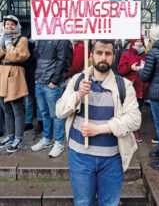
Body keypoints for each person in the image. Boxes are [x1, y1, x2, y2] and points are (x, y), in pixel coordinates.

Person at [56, 40, 141, 206]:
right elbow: (59, 111)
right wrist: (78, 95)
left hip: (112, 159)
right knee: (82, 203)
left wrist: (101, 129)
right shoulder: (77, 80)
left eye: (108, 54)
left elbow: (135, 119)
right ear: (91, 55)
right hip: (79, 157)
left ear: (114, 57)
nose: (103, 57)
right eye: (99, 53)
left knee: (109, 203)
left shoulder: (124, 85)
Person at [31, 39, 69, 158]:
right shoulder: (40, 39)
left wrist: (55, 81)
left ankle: (59, 142)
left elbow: (63, 60)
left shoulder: (60, 39)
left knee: (56, 115)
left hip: (51, 84)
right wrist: (37, 78)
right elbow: (35, 59)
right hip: (40, 82)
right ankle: (47, 139)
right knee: (44, 113)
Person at [136, 26, 159, 171]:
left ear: (152, 38)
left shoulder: (153, 52)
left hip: (158, 95)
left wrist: (139, 70)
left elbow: (145, 76)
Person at [0, 15, 30, 152]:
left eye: (12, 24)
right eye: (7, 24)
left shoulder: (22, 39)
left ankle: (18, 138)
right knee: (6, 108)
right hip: (2, 75)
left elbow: (16, 56)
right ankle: (10, 136)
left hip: (15, 75)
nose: (9, 27)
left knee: (17, 109)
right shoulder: (3, 38)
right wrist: (3, 41)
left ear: (17, 26)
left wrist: (8, 45)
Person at [118, 35, 148, 143]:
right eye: (137, 41)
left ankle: (135, 129)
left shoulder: (145, 55)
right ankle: (130, 130)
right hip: (131, 86)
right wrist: (130, 68)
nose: (139, 43)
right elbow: (120, 70)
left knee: (138, 109)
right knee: (129, 109)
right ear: (133, 42)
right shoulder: (126, 54)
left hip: (143, 86)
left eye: (141, 41)